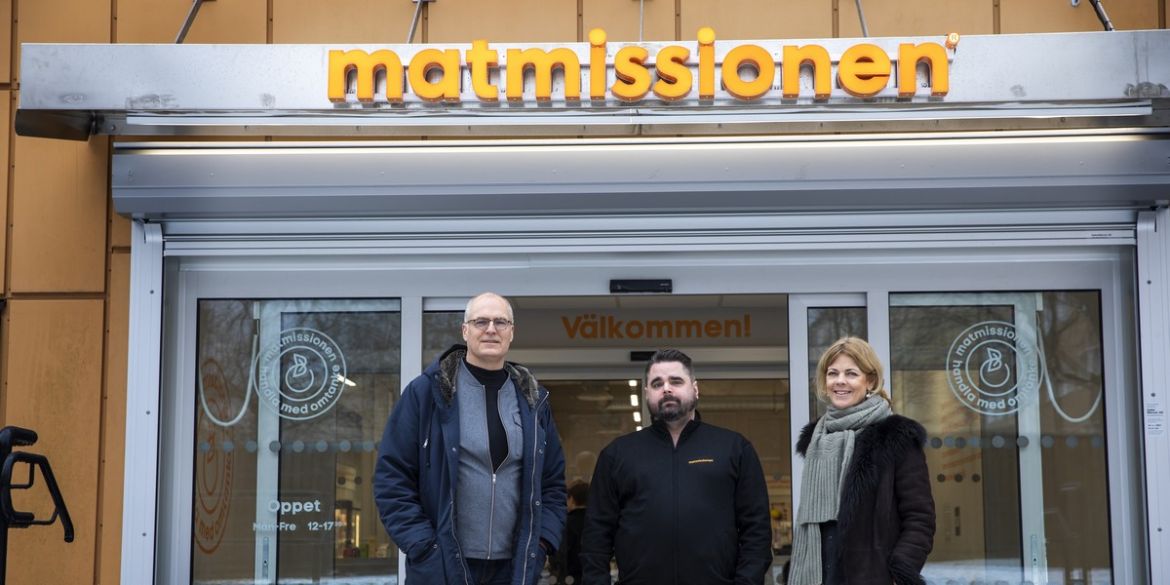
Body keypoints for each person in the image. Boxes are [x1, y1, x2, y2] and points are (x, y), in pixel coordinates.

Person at [374, 292, 567, 585]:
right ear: (465, 330)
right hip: (443, 565)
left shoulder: (533, 402)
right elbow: (392, 478)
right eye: (481, 321)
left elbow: (552, 482)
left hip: (514, 569)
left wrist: (541, 544)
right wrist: (423, 546)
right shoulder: (427, 393)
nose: (491, 329)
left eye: (501, 322)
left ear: (511, 333)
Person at [579, 349, 773, 585]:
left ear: (695, 389)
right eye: (657, 383)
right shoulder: (617, 454)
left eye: (676, 381)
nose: (667, 389)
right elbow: (596, 536)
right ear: (647, 393)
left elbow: (757, 530)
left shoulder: (734, 448)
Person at [789, 337, 935, 585]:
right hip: (819, 576)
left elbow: (920, 517)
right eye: (832, 373)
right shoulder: (817, 441)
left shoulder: (895, 438)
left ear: (870, 381)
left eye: (851, 373)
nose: (840, 381)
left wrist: (899, 571)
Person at [550, 481, 589, 584]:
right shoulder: (596, 522)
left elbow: (559, 553)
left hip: (569, 577)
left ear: (571, 499)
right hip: (591, 576)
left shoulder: (566, 523)